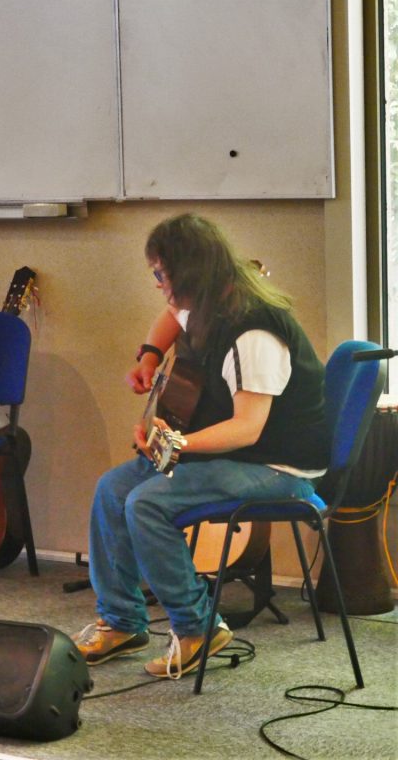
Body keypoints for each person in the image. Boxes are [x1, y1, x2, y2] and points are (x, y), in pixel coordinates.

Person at [73, 214, 329, 679]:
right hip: (230, 452)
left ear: (189, 276)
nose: (157, 285)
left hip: (279, 465)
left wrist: (174, 443)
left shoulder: (255, 333)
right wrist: (150, 355)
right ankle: (122, 620)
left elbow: (247, 429)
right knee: (112, 488)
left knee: (146, 502)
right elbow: (173, 315)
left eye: (160, 275)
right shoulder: (207, 299)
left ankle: (198, 626)